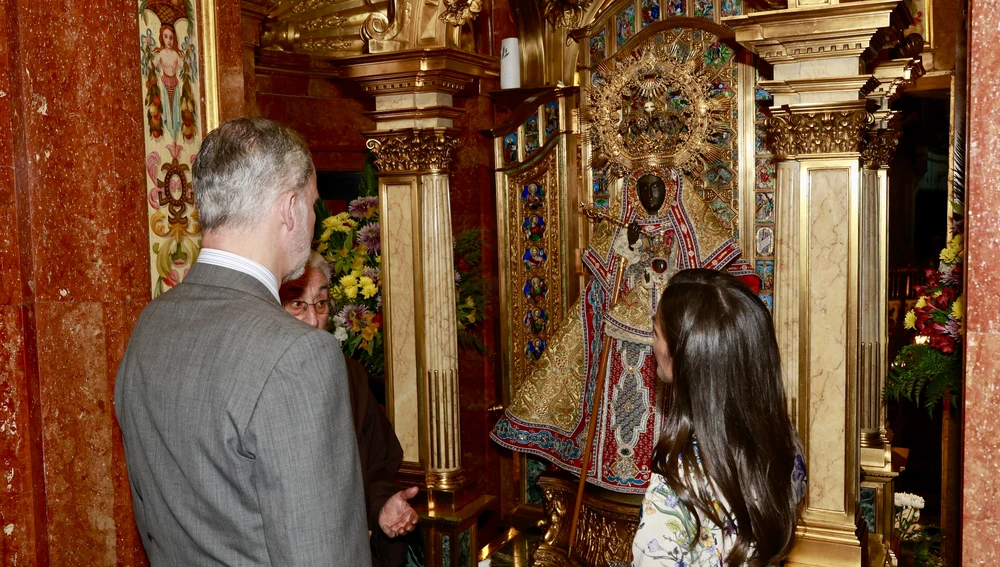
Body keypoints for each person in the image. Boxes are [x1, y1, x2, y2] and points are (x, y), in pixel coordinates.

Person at [115, 117, 371, 566]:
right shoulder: (299, 355)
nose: (312, 219)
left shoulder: (150, 325)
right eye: (313, 205)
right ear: (289, 208)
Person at [632, 269, 806, 567]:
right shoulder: (785, 437)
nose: (652, 344)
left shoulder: (678, 486)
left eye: (656, 332)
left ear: (683, 355)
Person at [279, 252, 419, 567]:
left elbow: (376, 468)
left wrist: (381, 507)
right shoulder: (259, 384)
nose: (314, 320)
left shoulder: (350, 375)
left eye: (321, 303)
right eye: (297, 304)